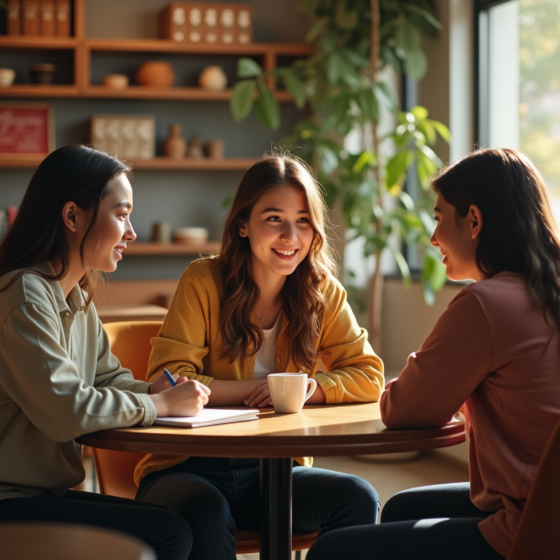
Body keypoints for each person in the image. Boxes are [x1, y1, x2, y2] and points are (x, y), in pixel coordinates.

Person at [306, 147, 560, 560]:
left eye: (440, 218)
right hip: (545, 503)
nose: (432, 237)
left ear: (474, 220)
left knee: (333, 551)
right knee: (405, 508)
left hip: (533, 529)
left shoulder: (486, 304)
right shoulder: (546, 290)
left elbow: (402, 409)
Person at [134, 153, 384, 560]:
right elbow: (170, 380)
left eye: (303, 220)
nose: (290, 235)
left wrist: (310, 390)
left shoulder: (324, 292)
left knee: (356, 496)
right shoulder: (203, 281)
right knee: (206, 511)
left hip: (275, 471)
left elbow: (369, 374)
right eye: (274, 218)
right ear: (243, 225)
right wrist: (265, 390)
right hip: (184, 468)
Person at [0, 145, 212, 560]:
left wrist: (150, 388)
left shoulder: (76, 297)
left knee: (176, 527)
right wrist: (159, 404)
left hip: (41, 495)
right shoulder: (25, 296)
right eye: (121, 214)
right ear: (73, 217)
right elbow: (66, 409)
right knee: (166, 533)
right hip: (10, 503)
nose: (131, 231)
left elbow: (106, 379)